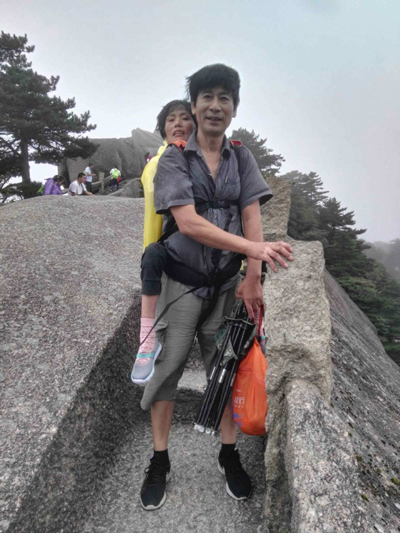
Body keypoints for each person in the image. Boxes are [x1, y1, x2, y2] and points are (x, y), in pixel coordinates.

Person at [138, 64, 293, 511]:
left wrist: (251, 276)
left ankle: (228, 454)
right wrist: (254, 250)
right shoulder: (174, 158)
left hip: (226, 286)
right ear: (193, 105)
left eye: (224, 97)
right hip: (181, 284)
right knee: (168, 369)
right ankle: (160, 459)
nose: (215, 105)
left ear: (234, 108)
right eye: (206, 96)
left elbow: (251, 214)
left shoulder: (241, 158)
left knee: (223, 369)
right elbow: (187, 222)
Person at [131, 99, 196, 385]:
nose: (178, 124)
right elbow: (152, 217)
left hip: (214, 251)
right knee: (155, 253)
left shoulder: (212, 157)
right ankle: (147, 339)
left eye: (184, 117)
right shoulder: (157, 163)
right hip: (178, 246)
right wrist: (150, 259)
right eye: (171, 119)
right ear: (163, 130)